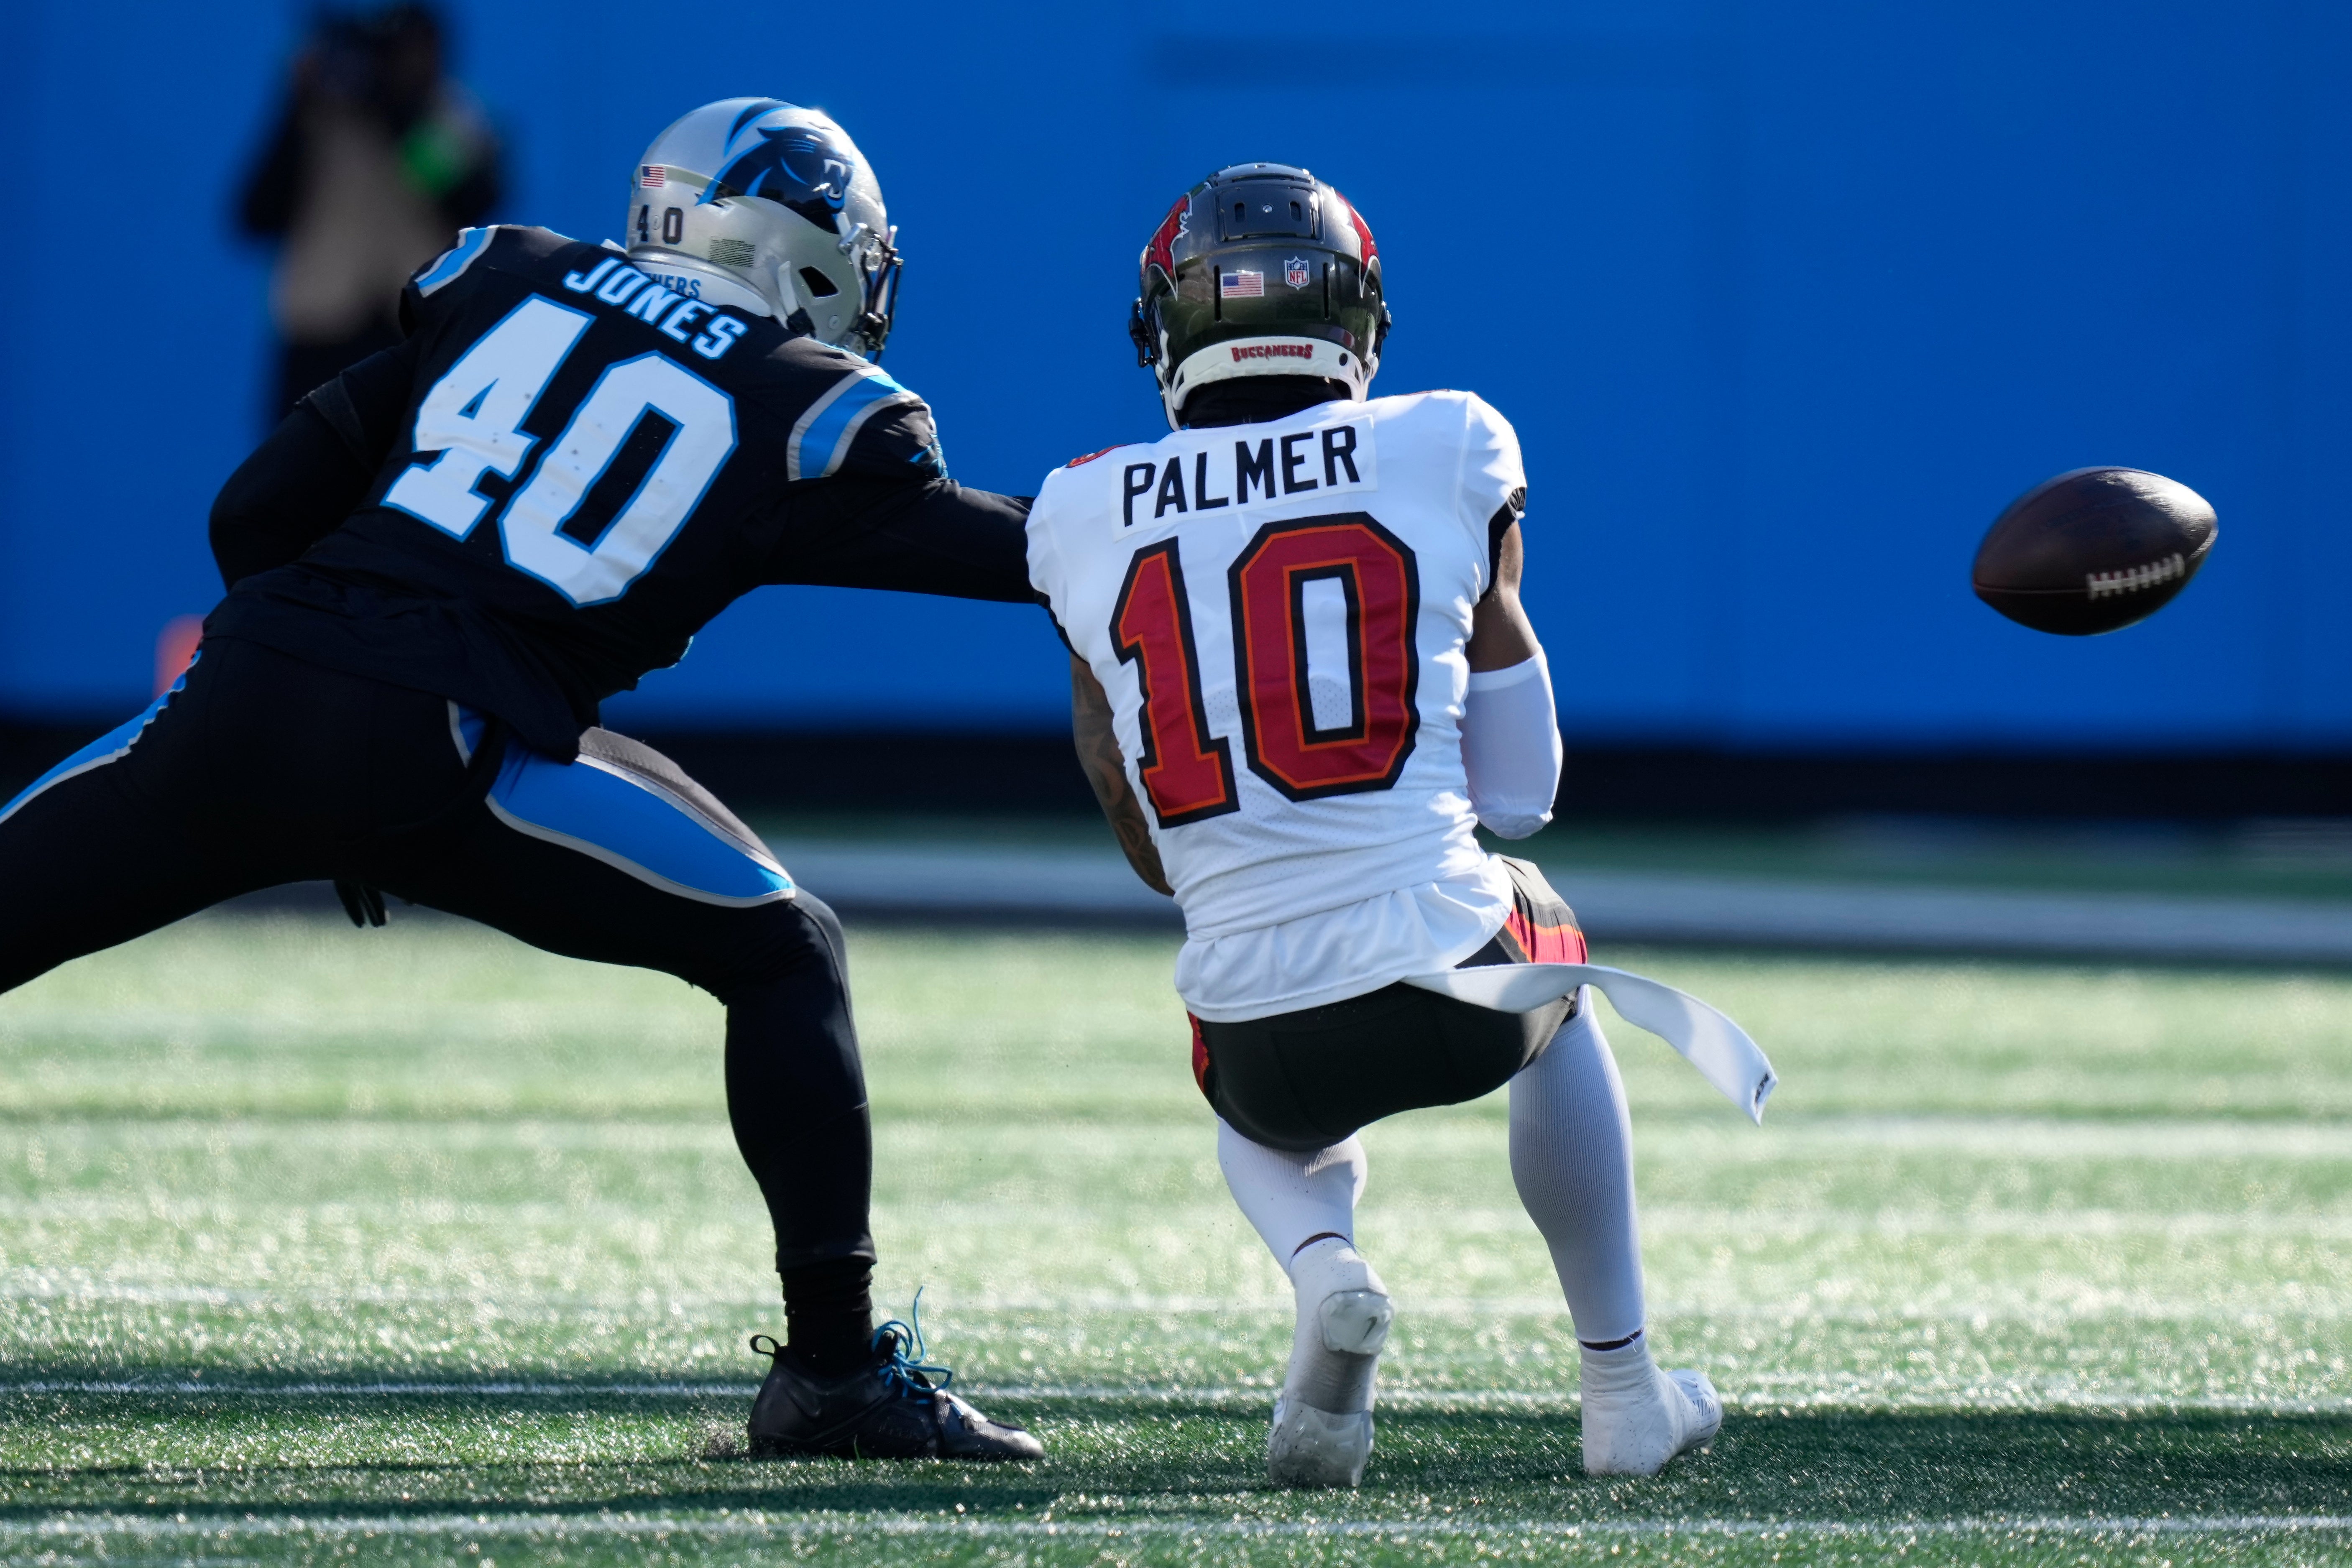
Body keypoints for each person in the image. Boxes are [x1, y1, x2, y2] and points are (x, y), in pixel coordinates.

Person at [0, 97, 1041, 1464]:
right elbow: (1022, 557)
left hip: (243, 700)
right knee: (785, 950)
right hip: (445, 744)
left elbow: (252, 511)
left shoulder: (511, 279)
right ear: (801, 251)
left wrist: (306, 750)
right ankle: (835, 1380)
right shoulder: (808, 404)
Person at [1028, 164, 1755, 1486]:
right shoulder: (1447, 442)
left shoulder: (1077, 508)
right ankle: (1620, 1388)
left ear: (1163, 329)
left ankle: (1327, 1275)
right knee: (1558, 969)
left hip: (1252, 1039)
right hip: (1449, 981)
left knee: (1259, 1129)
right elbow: (1521, 789)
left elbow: (1141, 837)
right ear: (1355, 317)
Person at [237, 4, 505, 422]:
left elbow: (469, 199)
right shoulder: (320, 117)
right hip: (319, 336)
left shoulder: (454, 118)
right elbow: (255, 217)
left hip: (413, 337)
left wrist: (390, 109)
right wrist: (295, 107)